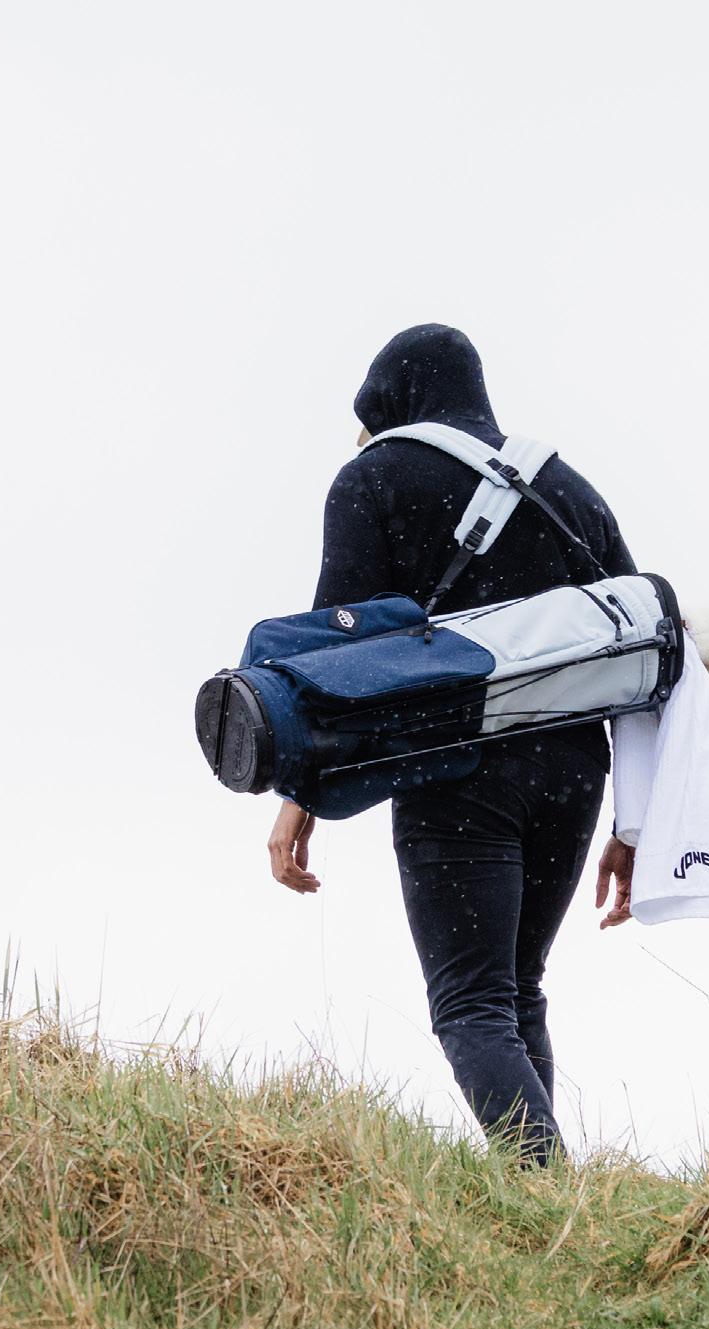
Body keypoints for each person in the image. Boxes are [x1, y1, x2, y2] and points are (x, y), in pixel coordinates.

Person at [267, 324, 639, 1166]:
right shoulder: (567, 488)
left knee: (470, 1003)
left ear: (390, 399)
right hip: (576, 770)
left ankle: (545, 1193)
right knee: (515, 990)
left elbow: (336, 658)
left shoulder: (374, 475)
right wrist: (633, 822)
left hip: (458, 768)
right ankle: (549, 1195)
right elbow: (637, 650)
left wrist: (300, 793)